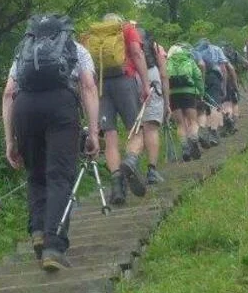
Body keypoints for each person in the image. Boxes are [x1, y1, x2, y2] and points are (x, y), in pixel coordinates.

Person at [2, 14, 100, 271]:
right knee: (59, 176)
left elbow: (8, 92)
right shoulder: (76, 49)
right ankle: (54, 246)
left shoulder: (23, 52)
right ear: (65, 31)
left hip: (25, 107)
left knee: (35, 174)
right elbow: (88, 87)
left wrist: (9, 138)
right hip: (61, 105)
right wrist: (94, 131)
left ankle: (37, 230)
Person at [83, 14, 150, 205]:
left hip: (101, 85)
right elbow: (137, 53)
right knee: (136, 130)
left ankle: (117, 186)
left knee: (110, 136)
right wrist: (145, 84)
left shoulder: (92, 36)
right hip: (125, 81)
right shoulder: (127, 29)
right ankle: (130, 160)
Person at [132, 21, 171, 185]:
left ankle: (131, 160)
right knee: (151, 127)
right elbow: (163, 74)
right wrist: (167, 103)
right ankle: (152, 171)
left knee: (137, 128)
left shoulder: (123, 42)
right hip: (151, 77)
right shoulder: (155, 46)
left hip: (130, 80)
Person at [165, 43, 204, 161]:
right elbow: (198, 76)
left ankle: (185, 147)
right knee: (193, 121)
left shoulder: (168, 62)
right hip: (189, 93)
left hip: (173, 95)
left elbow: (165, 78)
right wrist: (200, 92)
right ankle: (194, 139)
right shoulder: (189, 60)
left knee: (180, 124)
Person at [193, 38, 228, 147]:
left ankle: (204, 133)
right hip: (213, 76)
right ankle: (213, 132)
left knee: (204, 108)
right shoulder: (216, 49)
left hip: (199, 78)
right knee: (215, 106)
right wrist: (224, 86)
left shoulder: (194, 52)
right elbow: (224, 68)